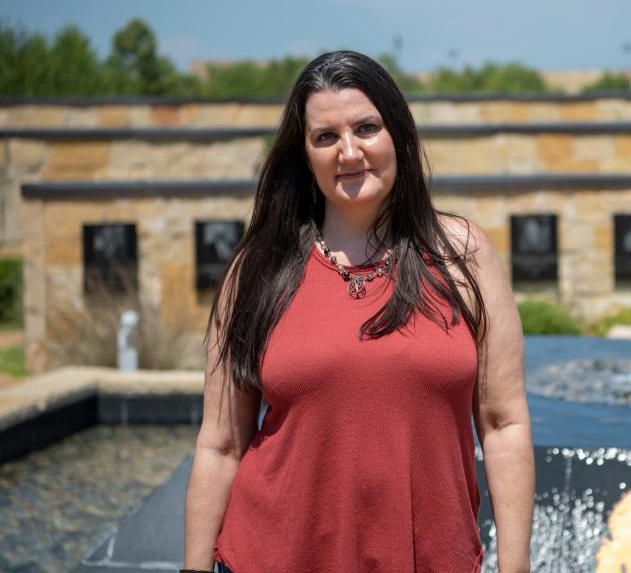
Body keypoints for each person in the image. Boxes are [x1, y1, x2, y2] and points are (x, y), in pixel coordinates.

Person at [181, 50, 534, 572]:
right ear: (304, 155)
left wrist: (516, 566)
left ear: (400, 136)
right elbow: (220, 445)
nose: (349, 151)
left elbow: (504, 425)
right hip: (271, 557)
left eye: (366, 128)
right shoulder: (255, 270)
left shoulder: (464, 255)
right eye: (325, 136)